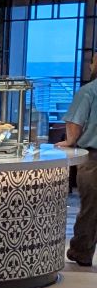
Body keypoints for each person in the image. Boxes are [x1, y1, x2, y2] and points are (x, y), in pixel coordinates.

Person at [60, 74, 97, 267]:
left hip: (93, 157)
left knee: (91, 207)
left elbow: (74, 124)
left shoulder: (89, 90)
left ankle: (81, 251)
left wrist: (69, 141)